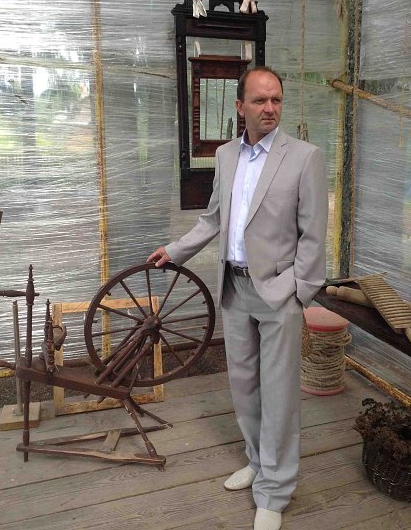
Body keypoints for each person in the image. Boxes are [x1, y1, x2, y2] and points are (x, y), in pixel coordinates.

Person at [148, 66, 328, 530]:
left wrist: (298, 291)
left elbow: (313, 235)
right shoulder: (227, 156)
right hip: (234, 287)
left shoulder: (304, 157)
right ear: (240, 106)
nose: (270, 108)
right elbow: (214, 219)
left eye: (276, 100)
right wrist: (175, 250)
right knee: (243, 384)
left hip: (279, 292)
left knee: (279, 393)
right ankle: (257, 461)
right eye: (260, 100)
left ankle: (275, 491)